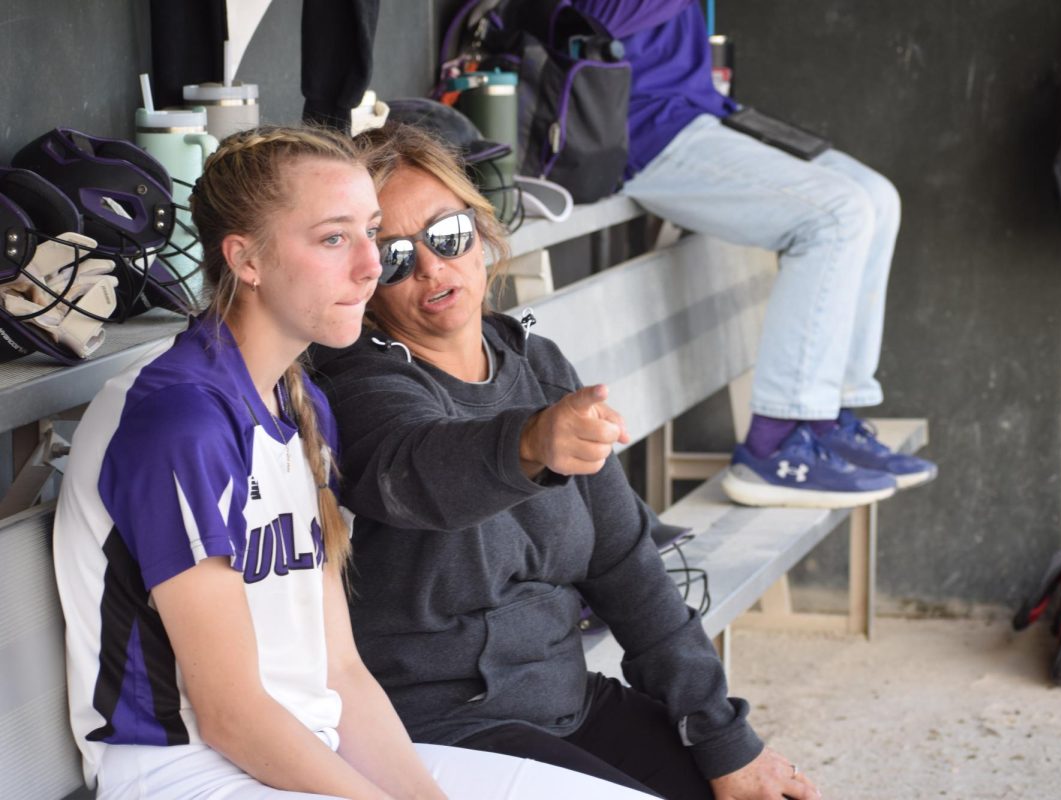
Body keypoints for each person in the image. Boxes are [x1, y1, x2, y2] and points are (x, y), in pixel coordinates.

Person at [52, 126, 655, 800]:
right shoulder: (180, 420)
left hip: (313, 750)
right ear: (245, 259)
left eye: (371, 233)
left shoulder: (298, 401)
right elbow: (231, 717)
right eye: (334, 238)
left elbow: (340, 671)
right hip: (187, 773)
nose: (373, 266)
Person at [308, 122, 821, 800]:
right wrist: (529, 445)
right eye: (396, 256)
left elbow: (626, 565)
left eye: (448, 235)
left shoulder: (537, 367)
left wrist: (724, 738)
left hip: (567, 702)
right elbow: (416, 469)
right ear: (367, 276)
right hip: (443, 729)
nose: (432, 267)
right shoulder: (356, 384)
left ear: (482, 232)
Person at [572, 0, 936, 509]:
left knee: (876, 196)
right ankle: (776, 442)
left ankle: (828, 419)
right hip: (639, 129)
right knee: (837, 214)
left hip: (705, 112)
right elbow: (597, 15)